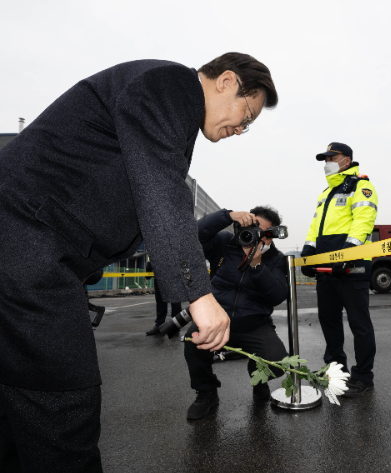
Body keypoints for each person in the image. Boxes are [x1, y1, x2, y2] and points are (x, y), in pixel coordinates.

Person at [0, 53, 277, 472]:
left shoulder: (166, 106)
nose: (242, 129)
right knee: (62, 409)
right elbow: (162, 189)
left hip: (29, 253)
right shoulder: (168, 86)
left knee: (19, 404)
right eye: (247, 113)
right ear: (225, 81)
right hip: (26, 250)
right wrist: (199, 295)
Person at [184, 206, 289, 420]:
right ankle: (206, 392)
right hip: (218, 319)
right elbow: (194, 234)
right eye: (252, 229)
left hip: (254, 325)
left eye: (263, 234)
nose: (256, 236)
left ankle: (258, 379)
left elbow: (277, 295)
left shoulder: (276, 259)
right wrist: (227, 216)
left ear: (271, 238)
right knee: (192, 340)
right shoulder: (224, 243)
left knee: (278, 362)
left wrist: (258, 266)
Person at [300, 142, 378, 397]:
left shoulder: (361, 186)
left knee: (359, 324)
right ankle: (336, 369)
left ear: (347, 159)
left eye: (332, 157)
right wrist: (309, 250)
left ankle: (363, 377)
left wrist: (348, 252)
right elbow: (316, 227)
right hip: (326, 270)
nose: (327, 162)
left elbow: (364, 221)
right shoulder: (325, 193)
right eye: (325, 159)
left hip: (352, 268)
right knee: (329, 321)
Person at [144, 260, 184, 336]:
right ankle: (172, 326)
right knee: (170, 301)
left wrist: (148, 269)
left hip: (166, 273)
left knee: (168, 301)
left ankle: (162, 325)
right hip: (169, 274)